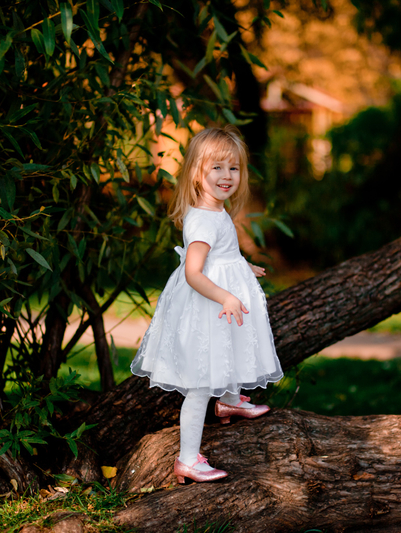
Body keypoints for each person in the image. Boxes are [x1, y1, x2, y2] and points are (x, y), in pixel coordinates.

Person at [130, 125, 284, 483]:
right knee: (201, 383)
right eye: (217, 167)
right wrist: (226, 295)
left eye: (234, 168)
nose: (227, 175)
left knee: (228, 350)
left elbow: (220, 254)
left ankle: (229, 399)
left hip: (216, 301)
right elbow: (193, 273)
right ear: (197, 174)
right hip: (207, 303)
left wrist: (242, 266)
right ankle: (187, 459)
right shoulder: (202, 220)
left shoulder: (216, 211)